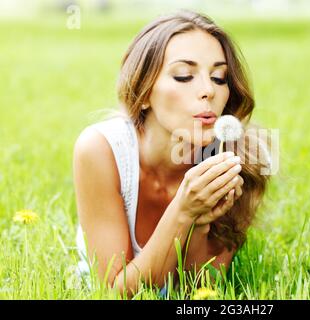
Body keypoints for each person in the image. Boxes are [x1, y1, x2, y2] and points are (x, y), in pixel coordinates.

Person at [73, 9, 270, 298]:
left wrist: (200, 223)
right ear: (143, 92)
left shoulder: (238, 159)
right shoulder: (100, 150)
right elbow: (114, 293)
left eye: (218, 78)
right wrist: (183, 211)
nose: (208, 91)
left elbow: (198, 293)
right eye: (183, 75)